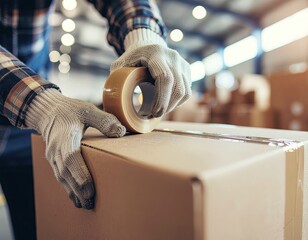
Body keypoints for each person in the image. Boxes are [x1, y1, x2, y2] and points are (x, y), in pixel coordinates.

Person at [0, 0, 191, 239]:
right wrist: (42, 105)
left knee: (33, 229)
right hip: (33, 111)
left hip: (27, 136)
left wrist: (144, 36)